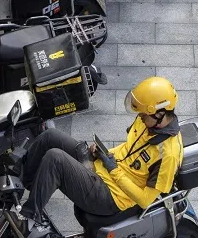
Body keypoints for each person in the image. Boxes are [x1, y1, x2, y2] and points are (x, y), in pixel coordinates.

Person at [19, 77, 184, 223]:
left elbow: (146, 200)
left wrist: (114, 170)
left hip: (110, 196)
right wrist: (105, 153)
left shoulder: (168, 155)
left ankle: (29, 216)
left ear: (159, 114)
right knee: (50, 136)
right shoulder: (148, 121)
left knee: (55, 159)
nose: (139, 117)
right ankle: (24, 183)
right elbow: (129, 148)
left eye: (143, 115)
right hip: (104, 168)